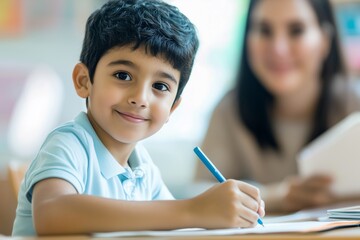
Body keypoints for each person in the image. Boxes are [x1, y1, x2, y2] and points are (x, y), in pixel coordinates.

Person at [12, 0, 265, 236]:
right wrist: (195, 210)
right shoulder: (68, 144)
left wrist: (221, 212)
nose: (141, 98)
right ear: (84, 81)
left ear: (172, 109)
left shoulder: (143, 168)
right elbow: (53, 214)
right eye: (123, 75)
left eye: (160, 86)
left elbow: (173, 228)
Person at [195, 0, 360, 213]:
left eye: (296, 30)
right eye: (264, 30)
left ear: (325, 40)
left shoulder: (354, 104)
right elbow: (195, 194)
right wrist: (276, 197)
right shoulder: (229, 110)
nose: (278, 48)